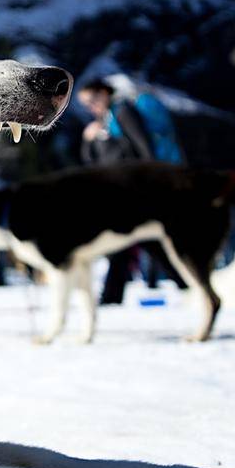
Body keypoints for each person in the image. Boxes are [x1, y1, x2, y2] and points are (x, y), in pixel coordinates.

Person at [77, 78, 185, 303]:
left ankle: (112, 296)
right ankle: (185, 284)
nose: (91, 106)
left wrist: (152, 181)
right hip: (122, 191)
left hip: (136, 190)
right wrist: (88, 141)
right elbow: (92, 162)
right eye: (86, 103)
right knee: (142, 239)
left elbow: (143, 146)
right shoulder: (105, 123)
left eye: (93, 99)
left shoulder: (123, 112)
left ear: (105, 92)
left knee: (131, 238)